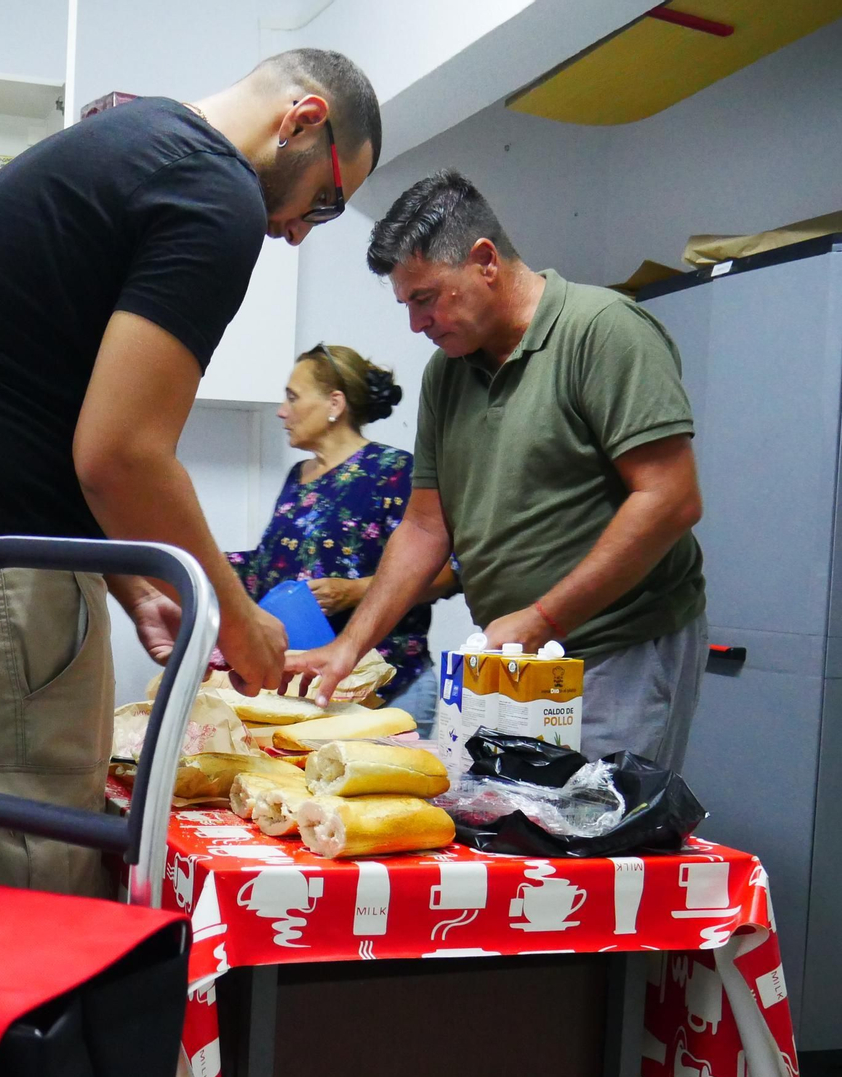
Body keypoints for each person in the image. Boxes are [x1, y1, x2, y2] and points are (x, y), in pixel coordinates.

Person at [0, 51, 383, 897]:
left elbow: (52, 416)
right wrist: (232, 616)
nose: (300, 232)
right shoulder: (217, 191)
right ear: (303, 120)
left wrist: (135, 585)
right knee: (31, 910)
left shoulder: (130, 141)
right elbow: (121, 452)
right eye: (325, 199)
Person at [290, 169, 707, 772]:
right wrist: (347, 648)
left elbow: (669, 500)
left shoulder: (602, 331)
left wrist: (543, 618)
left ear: (484, 260)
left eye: (426, 298)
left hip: (616, 647)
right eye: (406, 304)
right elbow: (426, 529)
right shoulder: (446, 373)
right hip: (513, 655)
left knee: (594, 841)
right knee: (507, 836)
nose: (416, 324)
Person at [227, 343, 456, 728]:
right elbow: (270, 566)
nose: (283, 412)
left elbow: (449, 570)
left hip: (388, 691)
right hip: (315, 690)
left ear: (335, 403)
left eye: (293, 398)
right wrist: (203, 563)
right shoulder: (298, 477)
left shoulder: (394, 470)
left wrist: (355, 590)